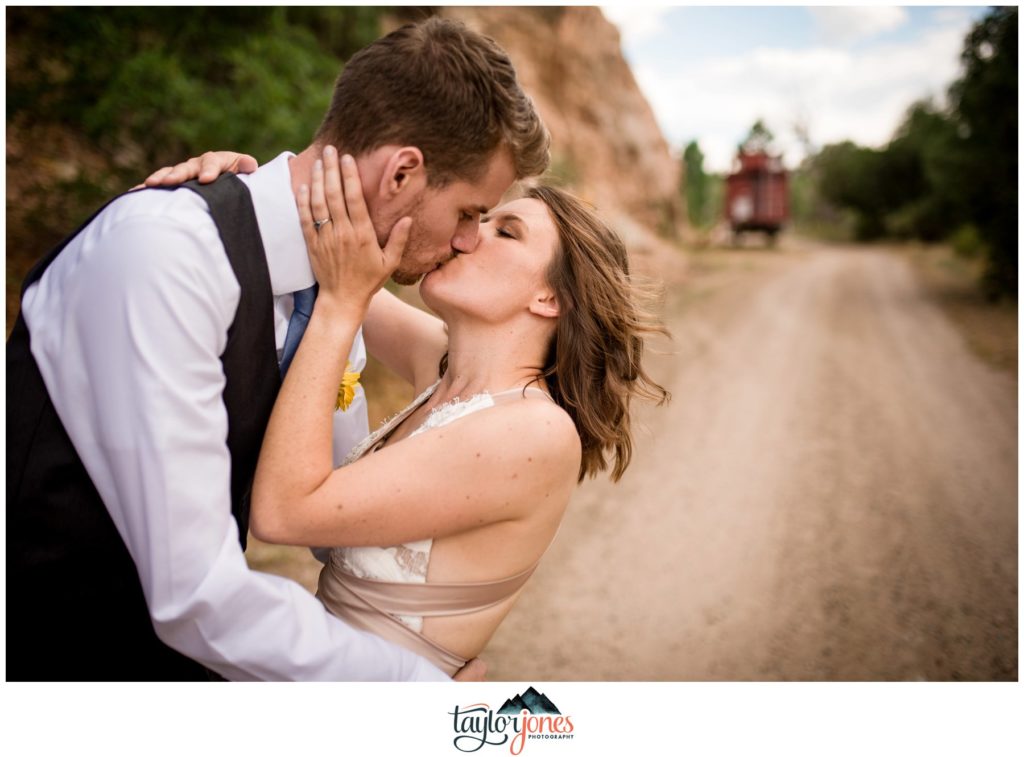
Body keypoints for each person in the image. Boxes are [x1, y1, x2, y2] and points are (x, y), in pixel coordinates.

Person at [6, 17, 548, 682]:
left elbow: (327, 520)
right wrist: (414, 690)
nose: (469, 239)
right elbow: (197, 597)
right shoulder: (165, 256)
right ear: (403, 173)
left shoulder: (336, 286)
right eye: (468, 212)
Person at [172, 148, 669, 675]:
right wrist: (223, 197)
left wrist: (341, 307)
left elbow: (282, 512)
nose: (470, 237)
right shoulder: (445, 364)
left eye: (506, 232)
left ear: (550, 298)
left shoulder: (534, 431)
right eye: (476, 218)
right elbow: (333, 248)